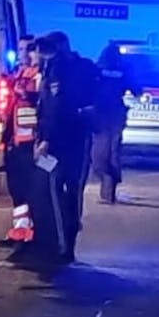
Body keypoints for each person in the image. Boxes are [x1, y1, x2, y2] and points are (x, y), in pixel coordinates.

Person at [33, 32, 99, 263]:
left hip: (61, 140)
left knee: (55, 189)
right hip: (80, 138)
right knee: (73, 192)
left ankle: (61, 246)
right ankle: (67, 244)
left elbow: (54, 108)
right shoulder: (86, 67)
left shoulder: (58, 69)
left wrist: (45, 139)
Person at [1, 36, 43, 245]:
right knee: (16, 188)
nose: (22, 53)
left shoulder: (39, 74)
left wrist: (23, 91)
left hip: (30, 141)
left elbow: (39, 102)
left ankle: (32, 232)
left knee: (29, 188)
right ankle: (20, 230)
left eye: (27, 49)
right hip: (14, 139)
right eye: (20, 48)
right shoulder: (19, 73)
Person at [90, 42, 139, 204]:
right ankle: (110, 186)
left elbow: (87, 88)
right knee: (114, 150)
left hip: (100, 114)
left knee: (99, 151)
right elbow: (137, 90)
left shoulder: (97, 69)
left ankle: (107, 182)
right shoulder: (124, 70)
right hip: (116, 113)